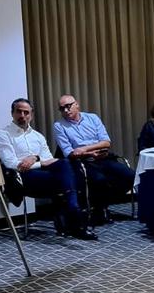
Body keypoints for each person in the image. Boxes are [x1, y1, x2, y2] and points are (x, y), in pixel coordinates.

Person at [0, 98, 96, 240]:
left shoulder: (38, 136)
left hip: (45, 175)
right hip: (22, 177)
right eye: (19, 112)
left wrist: (35, 158)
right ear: (12, 113)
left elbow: (49, 159)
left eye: (26, 112)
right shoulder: (4, 135)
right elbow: (11, 163)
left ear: (31, 115)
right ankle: (76, 219)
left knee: (65, 164)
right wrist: (40, 163)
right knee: (68, 180)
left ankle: (72, 215)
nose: (22, 115)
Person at [53, 94, 136, 223]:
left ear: (77, 104)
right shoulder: (59, 125)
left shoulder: (92, 118)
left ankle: (103, 203)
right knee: (99, 180)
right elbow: (69, 153)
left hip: (102, 157)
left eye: (68, 106)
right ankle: (100, 209)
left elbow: (106, 142)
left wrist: (86, 149)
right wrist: (90, 154)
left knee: (131, 175)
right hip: (82, 161)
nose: (65, 110)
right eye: (62, 108)